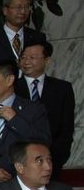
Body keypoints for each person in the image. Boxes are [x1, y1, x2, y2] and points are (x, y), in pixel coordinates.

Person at [16, 41, 75, 178]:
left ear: (47, 60)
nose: (26, 61)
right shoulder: (11, 87)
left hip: (52, 160)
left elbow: (67, 127)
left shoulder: (63, 89)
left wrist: (56, 158)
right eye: (23, 57)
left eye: (32, 57)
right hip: (18, 161)